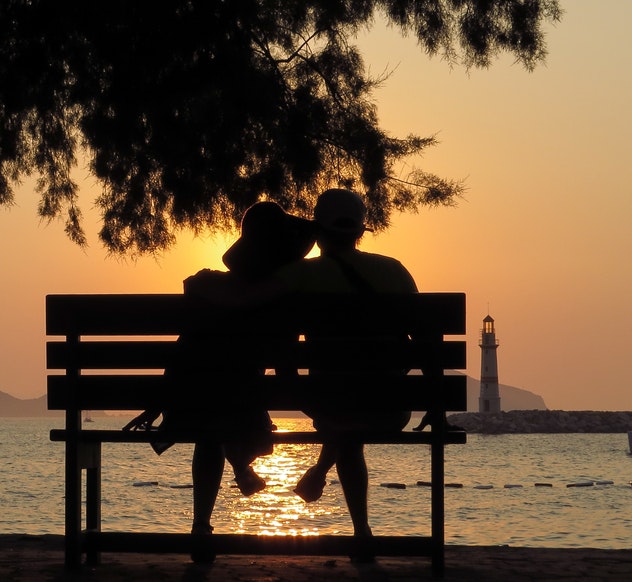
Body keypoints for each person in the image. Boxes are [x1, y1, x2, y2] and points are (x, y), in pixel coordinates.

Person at [189, 188, 419, 555]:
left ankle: (209, 520)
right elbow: (422, 342)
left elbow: (244, 300)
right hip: (390, 408)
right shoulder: (394, 269)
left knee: (341, 405)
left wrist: (202, 282)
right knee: (354, 410)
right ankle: (359, 528)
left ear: (320, 231)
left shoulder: (301, 274)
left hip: (329, 403)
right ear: (361, 230)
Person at [124, 201, 317, 562]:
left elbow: (191, 335)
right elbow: (285, 369)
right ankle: (242, 466)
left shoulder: (204, 285)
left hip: (187, 400)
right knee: (233, 403)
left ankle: (201, 523)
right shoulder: (283, 302)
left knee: (211, 421)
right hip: (240, 405)